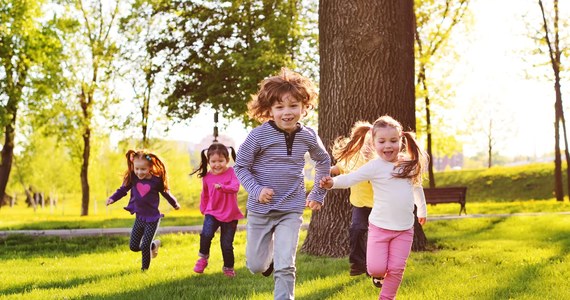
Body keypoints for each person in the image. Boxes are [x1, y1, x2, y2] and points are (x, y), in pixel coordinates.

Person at [234, 68, 331, 300]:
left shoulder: (308, 135)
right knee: (256, 266)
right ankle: (270, 262)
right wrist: (257, 190)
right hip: (261, 210)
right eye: (279, 107)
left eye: (293, 105)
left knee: (286, 265)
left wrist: (317, 193)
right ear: (269, 110)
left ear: (304, 107)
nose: (287, 112)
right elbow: (240, 166)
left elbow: (323, 160)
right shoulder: (257, 136)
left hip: (291, 207)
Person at [320, 115, 428, 300]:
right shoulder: (374, 166)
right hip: (379, 227)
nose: (388, 146)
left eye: (393, 141)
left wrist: (422, 210)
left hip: (404, 229)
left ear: (401, 140)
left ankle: (386, 297)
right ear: (374, 143)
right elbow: (350, 178)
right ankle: (378, 275)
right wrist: (331, 183)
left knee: (396, 269)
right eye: (382, 141)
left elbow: (417, 187)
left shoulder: (407, 164)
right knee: (375, 268)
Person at [106, 149, 180, 271]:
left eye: (143, 169)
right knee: (134, 246)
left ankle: (144, 270)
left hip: (153, 219)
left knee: (144, 245)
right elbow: (122, 190)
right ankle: (154, 245)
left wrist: (175, 203)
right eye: (137, 169)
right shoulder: (133, 178)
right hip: (139, 217)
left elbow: (166, 193)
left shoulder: (156, 181)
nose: (139, 172)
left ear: (150, 167)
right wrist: (112, 198)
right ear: (133, 167)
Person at [190, 142, 244, 278]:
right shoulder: (207, 176)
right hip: (212, 212)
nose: (217, 164)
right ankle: (202, 258)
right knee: (206, 234)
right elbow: (205, 194)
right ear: (208, 161)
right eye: (213, 161)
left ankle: (228, 268)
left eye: (221, 161)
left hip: (230, 214)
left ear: (227, 160)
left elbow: (235, 187)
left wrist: (222, 187)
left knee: (226, 244)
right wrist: (203, 208)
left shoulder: (232, 172)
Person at [330, 121, 375, 277]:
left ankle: (374, 265)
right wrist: (327, 171)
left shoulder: (380, 158)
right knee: (357, 229)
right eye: (366, 144)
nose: (368, 148)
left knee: (376, 235)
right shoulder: (353, 157)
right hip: (360, 204)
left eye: (372, 144)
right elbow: (338, 169)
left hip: (380, 205)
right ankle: (358, 263)